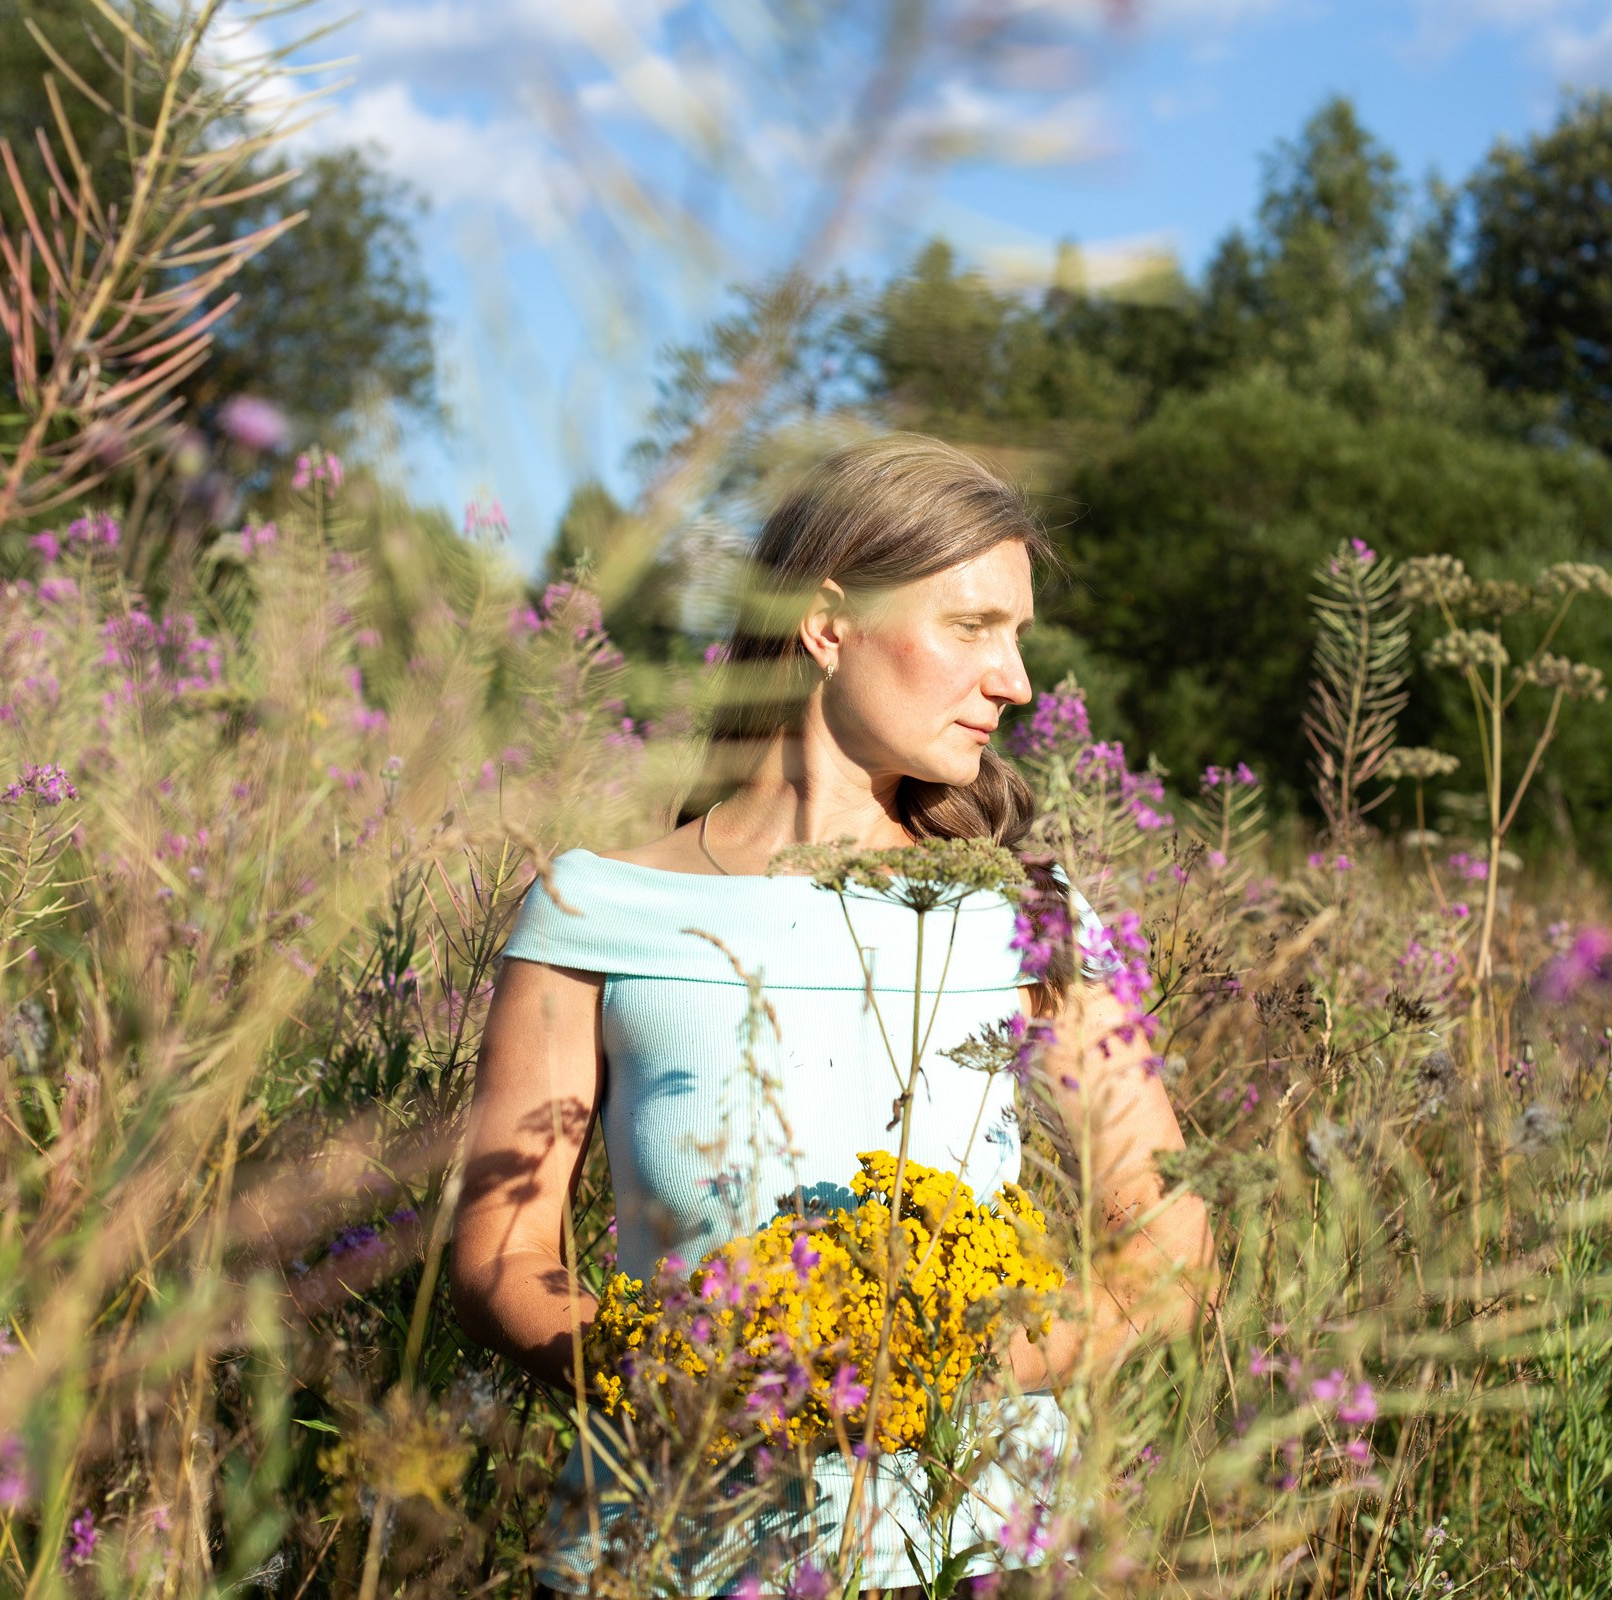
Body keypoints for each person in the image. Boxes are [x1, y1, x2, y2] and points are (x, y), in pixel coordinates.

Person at [451, 434, 1213, 1599]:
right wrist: (688, 1374)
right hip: (664, 1557)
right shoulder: (592, 908)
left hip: (973, 1554)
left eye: (1018, 635)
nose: (1015, 681)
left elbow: (1168, 1240)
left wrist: (946, 1373)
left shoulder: (1033, 914)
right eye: (973, 626)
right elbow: (504, 1252)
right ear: (826, 623)